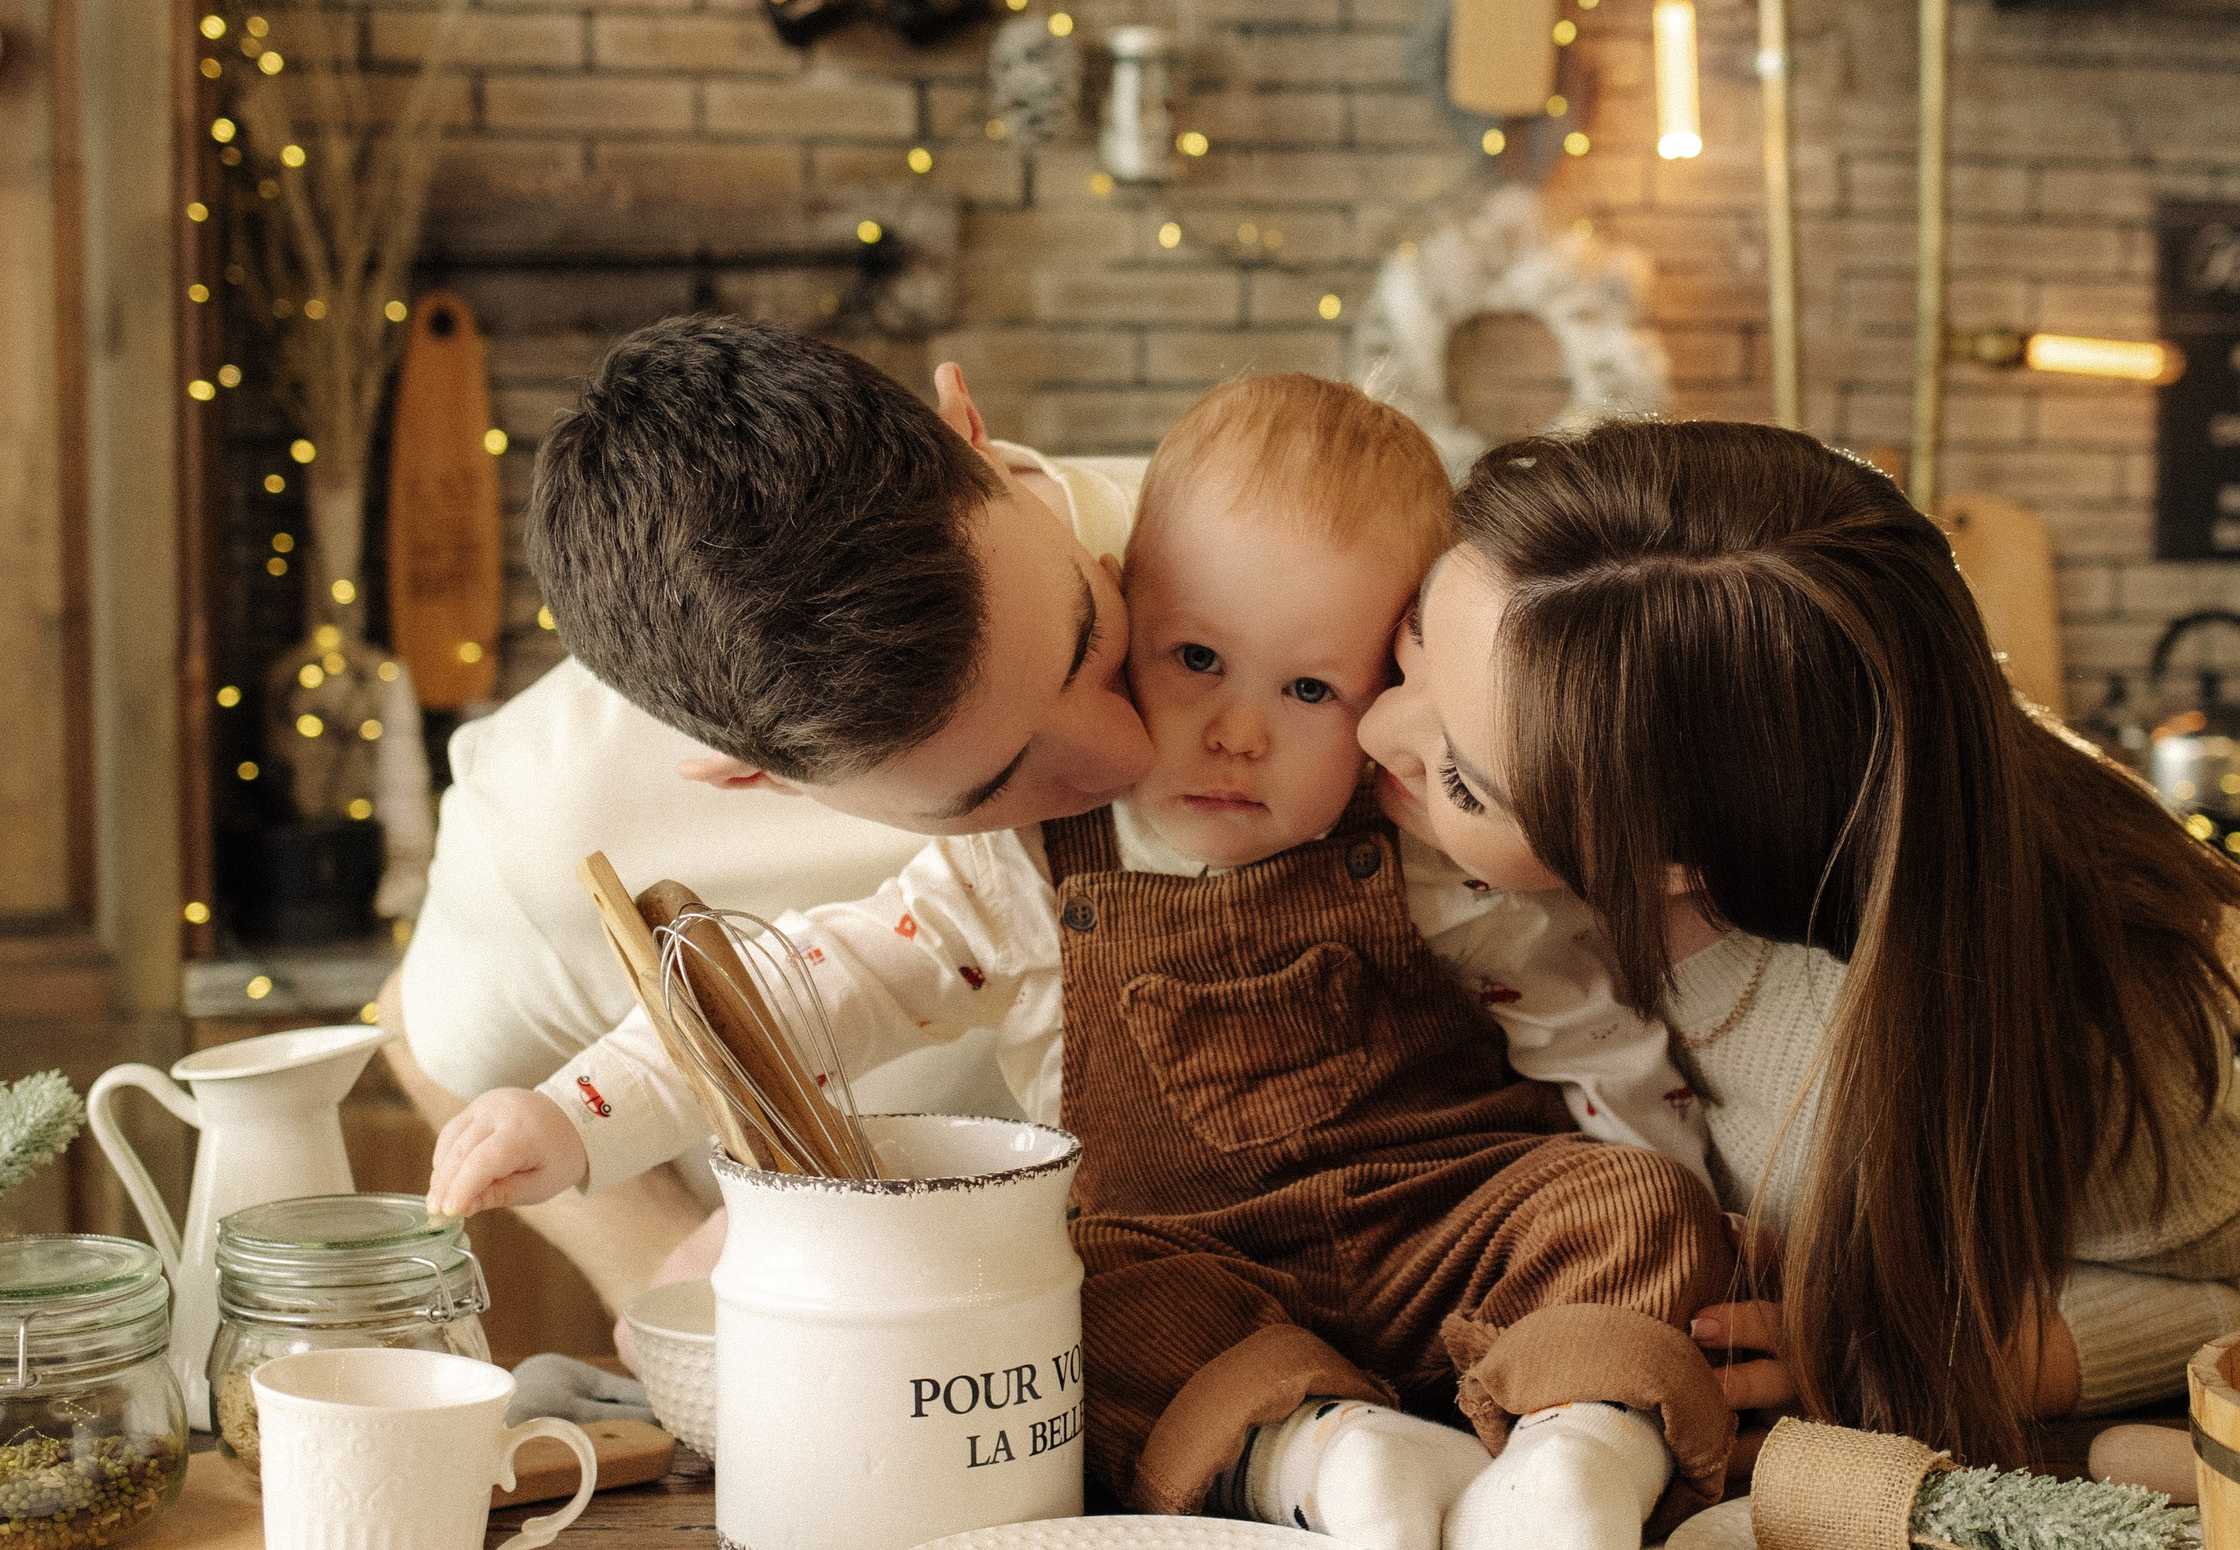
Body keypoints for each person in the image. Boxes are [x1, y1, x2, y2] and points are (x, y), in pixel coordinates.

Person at [430, 376, 1738, 1550]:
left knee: (1628, 1202)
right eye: (1194, 662)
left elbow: (1587, 1027)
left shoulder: (1409, 814)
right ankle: (1329, 1460)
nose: (1229, 734)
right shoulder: (1008, 875)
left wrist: (1699, 1207)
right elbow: (807, 986)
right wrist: (577, 1115)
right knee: (1062, 1314)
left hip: (1447, 1223)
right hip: (1189, 1273)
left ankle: (1581, 1450)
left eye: (1310, 691)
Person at [1357, 418, 2240, 1470]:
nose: (1374, 729)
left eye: (1462, 781)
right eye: (1415, 642)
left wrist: (1916, 1358)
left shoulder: (2060, 1008)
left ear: (1672, 858)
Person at [379, 317, 1157, 1313]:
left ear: (965, 430)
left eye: (1090, 636)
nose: (1131, 756)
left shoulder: (1287, 540)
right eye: (991, 785)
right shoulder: (551, 808)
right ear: (756, 779)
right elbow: (422, 1036)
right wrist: (674, 1279)